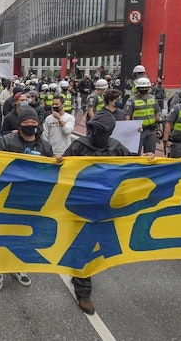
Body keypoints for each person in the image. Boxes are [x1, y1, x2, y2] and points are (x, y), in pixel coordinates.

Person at [58, 108, 132, 315]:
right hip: (82, 207)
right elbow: (62, 171)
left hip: (106, 207)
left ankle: (79, 275)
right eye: (93, 129)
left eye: (101, 130)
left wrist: (148, 160)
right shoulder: (79, 146)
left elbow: (133, 167)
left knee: (99, 248)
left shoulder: (117, 148)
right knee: (85, 247)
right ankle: (84, 292)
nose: (96, 134)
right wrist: (59, 162)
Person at [0, 106, 52, 292]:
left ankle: (18, 267)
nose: (30, 125)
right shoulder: (6, 141)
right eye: (26, 122)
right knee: (3, 234)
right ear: (19, 124)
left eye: (33, 122)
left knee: (24, 235)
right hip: (6, 197)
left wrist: (56, 163)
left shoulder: (45, 146)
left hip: (31, 199)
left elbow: (51, 173)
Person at [124, 77, 161, 154]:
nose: (144, 89)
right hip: (138, 131)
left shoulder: (153, 98)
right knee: (135, 153)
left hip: (151, 130)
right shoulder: (132, 100)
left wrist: (158, 129)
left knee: (150, 154)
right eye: (141, 87)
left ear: (149, 88)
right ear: (137, 88)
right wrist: (130, 130)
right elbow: (127, 116)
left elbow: (156, 114)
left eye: (145, 87)